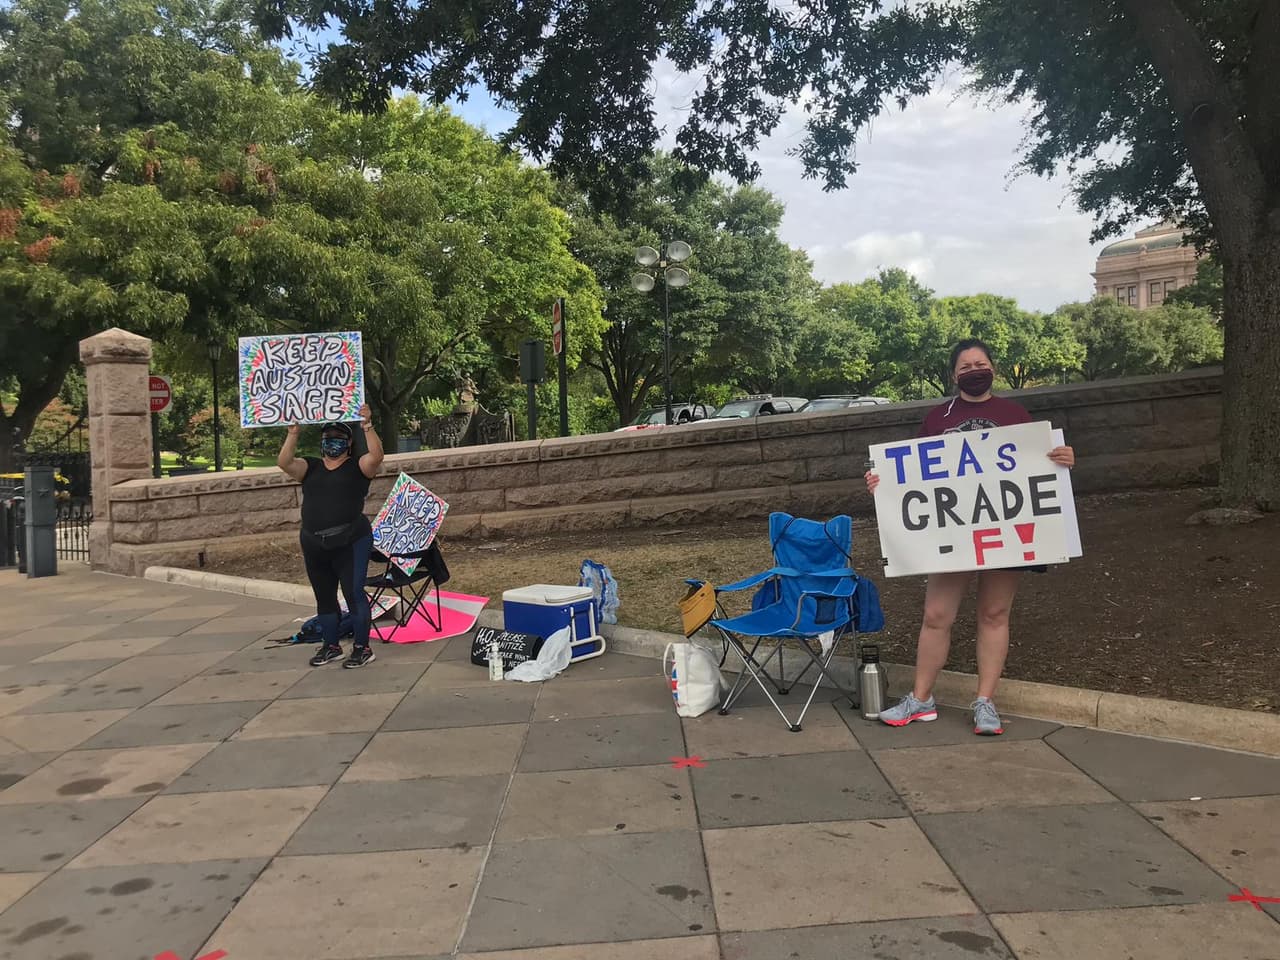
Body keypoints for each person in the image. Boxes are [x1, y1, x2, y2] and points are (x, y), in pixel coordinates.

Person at [864, 339, 1075, 735]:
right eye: (965, 366)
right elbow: (913, 476)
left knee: (994, 615)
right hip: (953, 535)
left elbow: (1037, 465)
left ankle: (985, 702)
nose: (974, 370)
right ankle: (921, 698)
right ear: (954, 374)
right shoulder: (937, 418)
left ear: (993, 368)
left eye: (980, 363)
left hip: (1003, 533)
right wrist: (883, 482)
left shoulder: (1015, 415)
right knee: (936, 615)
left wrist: (1063, 460)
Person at [277, 403, 385, 668]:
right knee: (324, 596)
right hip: (314, 543)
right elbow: (284, 462)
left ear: (348, 444)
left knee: (354, 593)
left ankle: (362, 647)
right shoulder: (310, 467)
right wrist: (293, 433)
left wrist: (367, 426)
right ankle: (331, 645)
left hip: (351, 540)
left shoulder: (358, 467)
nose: (332, 443)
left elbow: (377, 456)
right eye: (328, 438)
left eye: (338, 438)